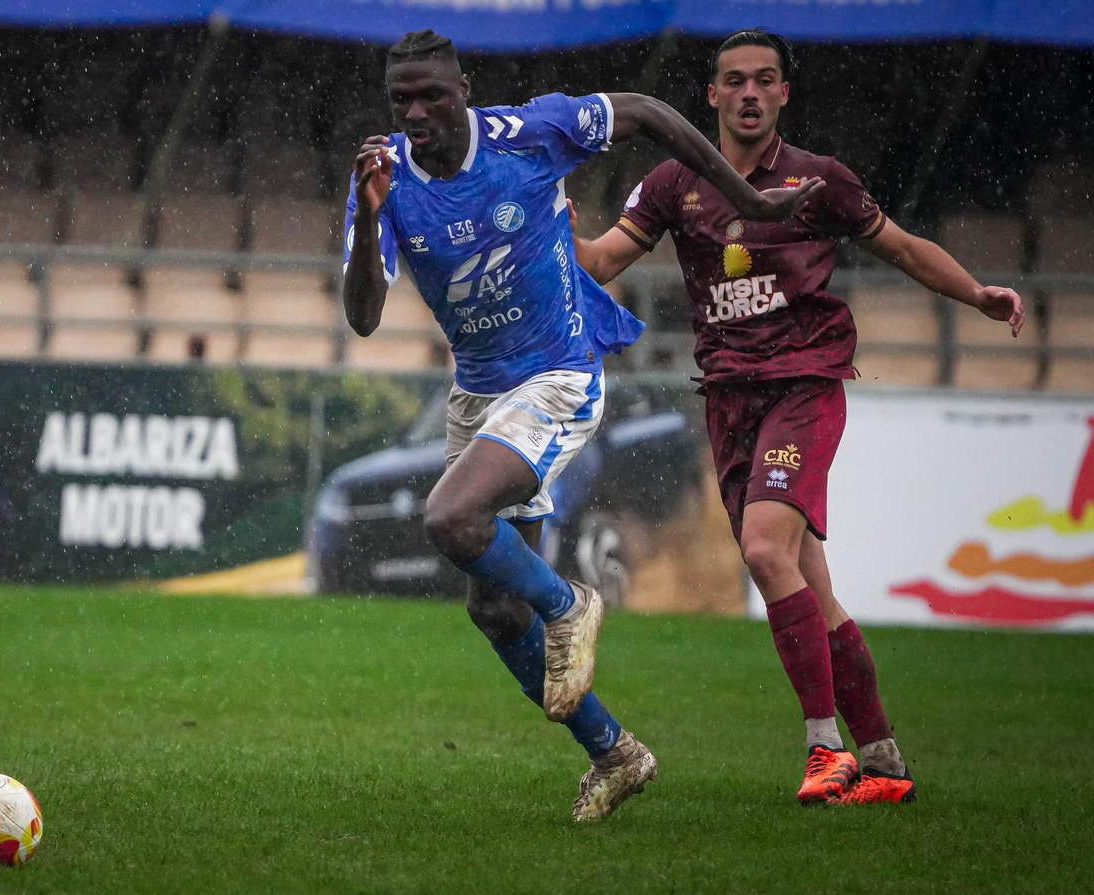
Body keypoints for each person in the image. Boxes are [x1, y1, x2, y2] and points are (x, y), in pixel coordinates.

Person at [341, 29, 822, 821]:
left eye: (432, 95)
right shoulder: (383, 176)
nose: (417, 113)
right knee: (495, 609)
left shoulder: (530, 132)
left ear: (464, 90)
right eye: (402, 100)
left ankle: (569, 603)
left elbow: (646, 111)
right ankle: (614, 752)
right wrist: (367, 218)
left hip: (558, 373)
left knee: (450, 516)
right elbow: (362, 316)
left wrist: (745, 197)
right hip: (479, 394)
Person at [571, 29, 1024, 806]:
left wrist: (977, 293)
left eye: (764, 80)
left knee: (761, 548)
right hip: (729, 398)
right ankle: (884, 761)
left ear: (783, 93)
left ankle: (825, 747)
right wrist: (547, 226)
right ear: (711, 96)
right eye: (735, 81)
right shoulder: (674, 182)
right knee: (812, 587)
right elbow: (603, 260)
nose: (749, 93)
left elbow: (904, 248)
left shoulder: (820, 180)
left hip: (803, 385)